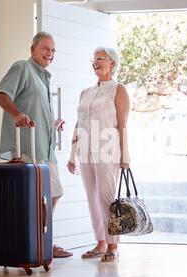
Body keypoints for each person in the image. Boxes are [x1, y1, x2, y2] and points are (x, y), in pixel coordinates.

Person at [0, 31, 73, 258]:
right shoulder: (23, 68)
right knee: (34, 198)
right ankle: (35, 243)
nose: (50, 53)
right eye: (46, 48)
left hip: (45, 150)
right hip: (27, 148)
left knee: (53, 193)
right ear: (33, 50)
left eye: (53, 50)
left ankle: (43, 239)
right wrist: (17, 115)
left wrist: (53, 123)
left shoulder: (44, 77)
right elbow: (0, 94)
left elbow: (36, 109)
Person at [67, 47, 130, 262]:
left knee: (106, 197)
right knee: (92, 198)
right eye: (93, 59)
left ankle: (113, 244)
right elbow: (78, 124)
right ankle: (100, 243)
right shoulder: (85, 92)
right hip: (85, 150)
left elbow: (122, 124)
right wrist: (71, 154)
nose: (95, 63)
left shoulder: (118, 89)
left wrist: (125, 156)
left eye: (100, 59)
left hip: (108, 149)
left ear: (112, 63)